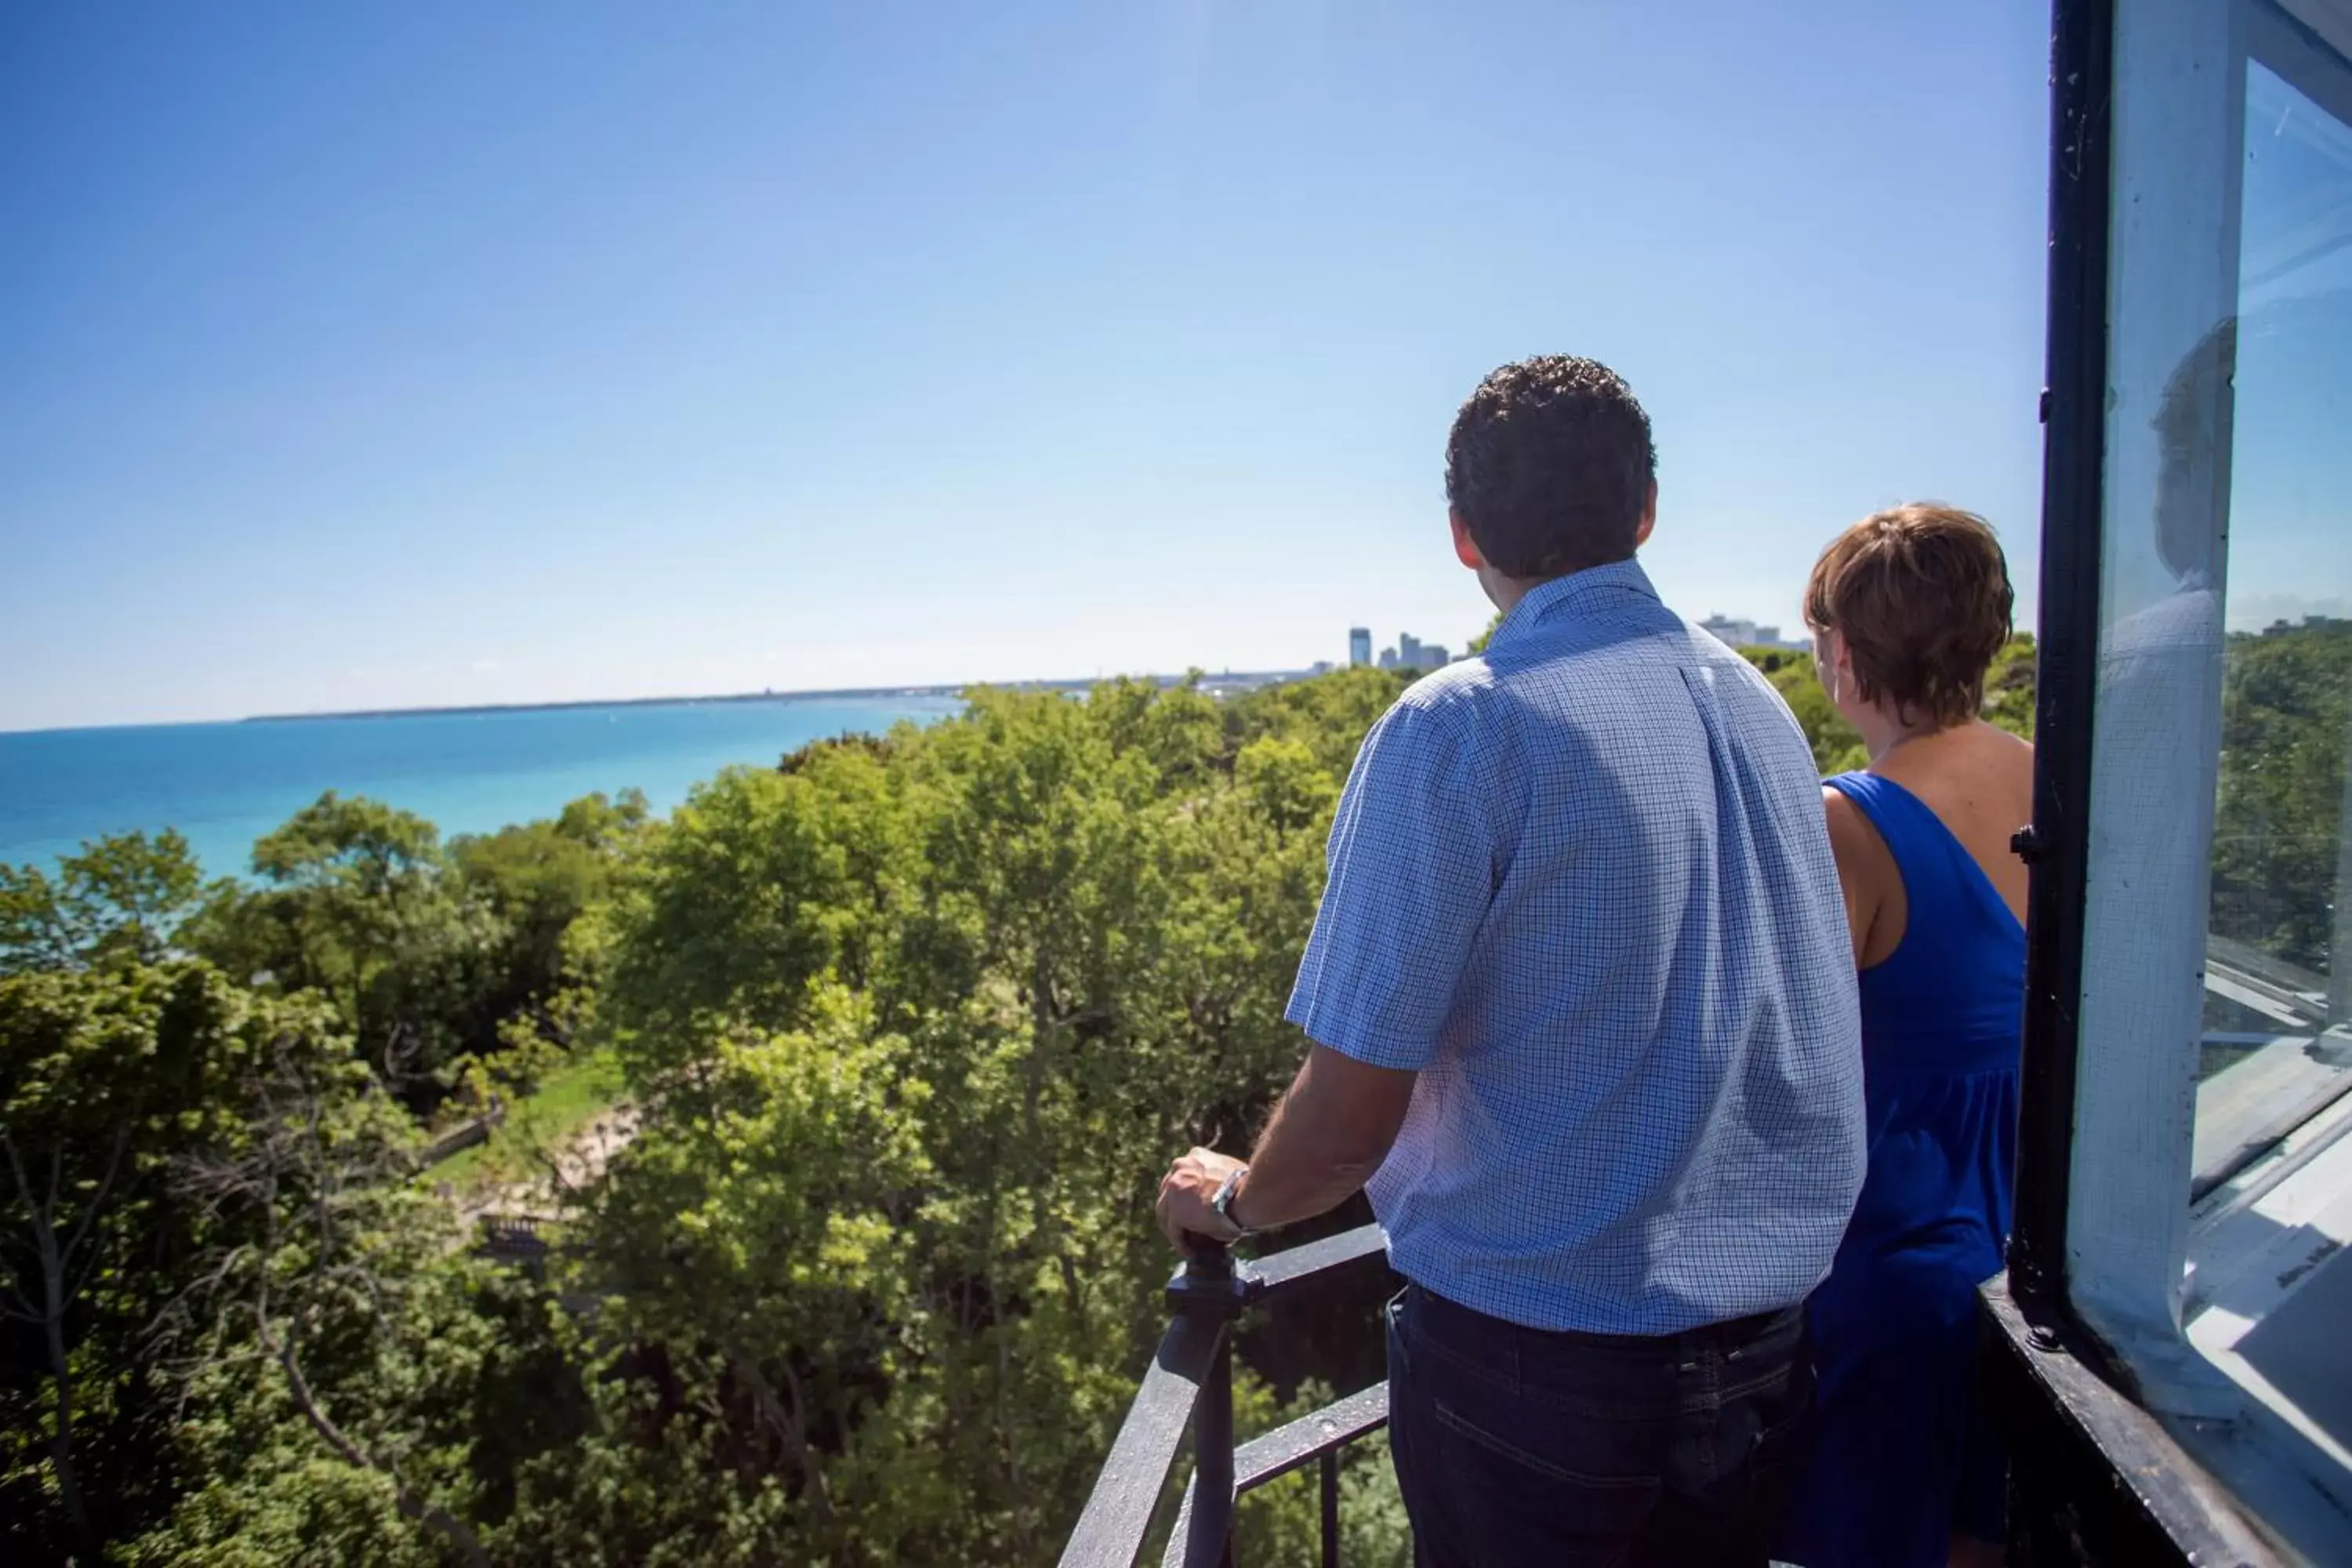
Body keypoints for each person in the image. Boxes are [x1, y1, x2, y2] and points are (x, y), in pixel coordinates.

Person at [1155, 354, 1866, 1567]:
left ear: (1462, 533)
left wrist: (1231, 1204)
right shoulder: (1762, 706)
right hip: (1769, 1357)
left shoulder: (1462, 727)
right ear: (1645, 512)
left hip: (1544, 1383)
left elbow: (1344, 1123)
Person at [1773, 505, 2031, 1568]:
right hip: (2032, 1234)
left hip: (1894, 1255)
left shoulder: (1849, 821)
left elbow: (1786, 1061)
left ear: (1842, 653)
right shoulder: (2051, 773)